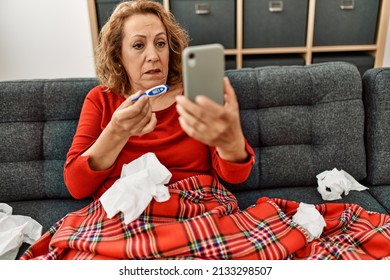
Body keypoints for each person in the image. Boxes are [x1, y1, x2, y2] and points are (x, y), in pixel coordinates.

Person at [19, 0, 309, 260]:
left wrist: (231, 141)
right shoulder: (102, 99)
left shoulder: (194, 95)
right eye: (138, 45)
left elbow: (235, 176)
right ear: (118, 55)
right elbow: (77, 185)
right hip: (124, 219)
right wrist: (117, 131)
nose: (153, 56)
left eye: (160, 43)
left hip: (197, 212)